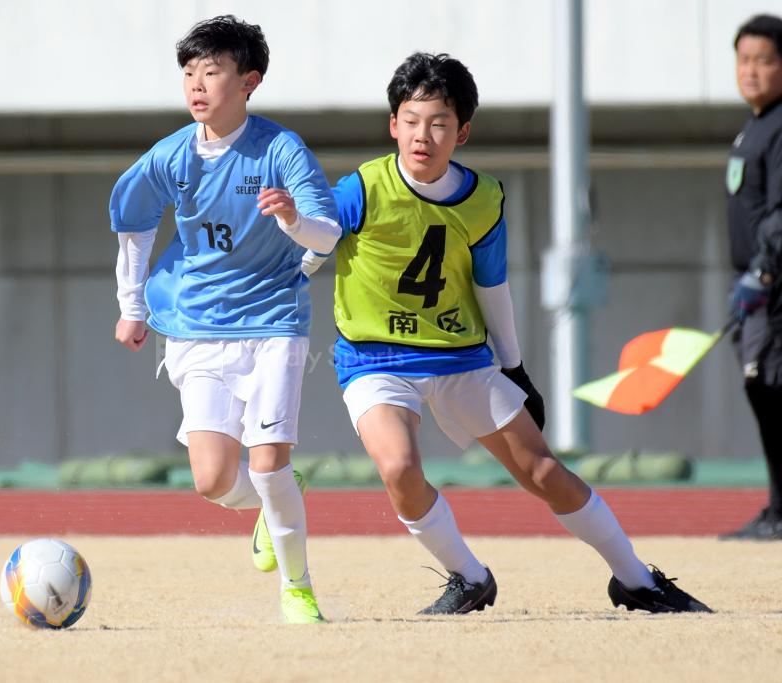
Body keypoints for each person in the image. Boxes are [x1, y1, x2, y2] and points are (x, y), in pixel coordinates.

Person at [303, 52, 712, 614]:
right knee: (399, 468)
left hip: (461, 359)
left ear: (462, 132)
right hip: (375, 360)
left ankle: (637, 579)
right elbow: (317, 241)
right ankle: (469, 576)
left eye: (440, 122)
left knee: (544, 471)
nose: (424, 135)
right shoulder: (362, 188)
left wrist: (515, 368)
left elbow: (493, 288)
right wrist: (287, 251)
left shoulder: (484, 198)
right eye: (412, 120)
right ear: (393, 124)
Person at [109, 15, 340, 623]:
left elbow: (328, 233)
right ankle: (275, 503)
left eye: (212, 71)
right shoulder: (171, 156)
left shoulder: (281, 150)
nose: (197, 85)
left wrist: (292, 221)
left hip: (273, 322)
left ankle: (298, 588)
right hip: (196, 325)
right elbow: (133, 226)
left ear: (248, 81)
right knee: (212, 481)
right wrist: (132, 307)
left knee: (268, 461)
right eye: (189, 73)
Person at [720, 15, 782, 541]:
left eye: (765, 60)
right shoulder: (754, 126)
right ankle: (777, 508)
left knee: (772, 388)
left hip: (774, 289)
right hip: (756, 288)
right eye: (745, 60)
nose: (752, 71)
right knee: (763, 391)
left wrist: (762, 273)